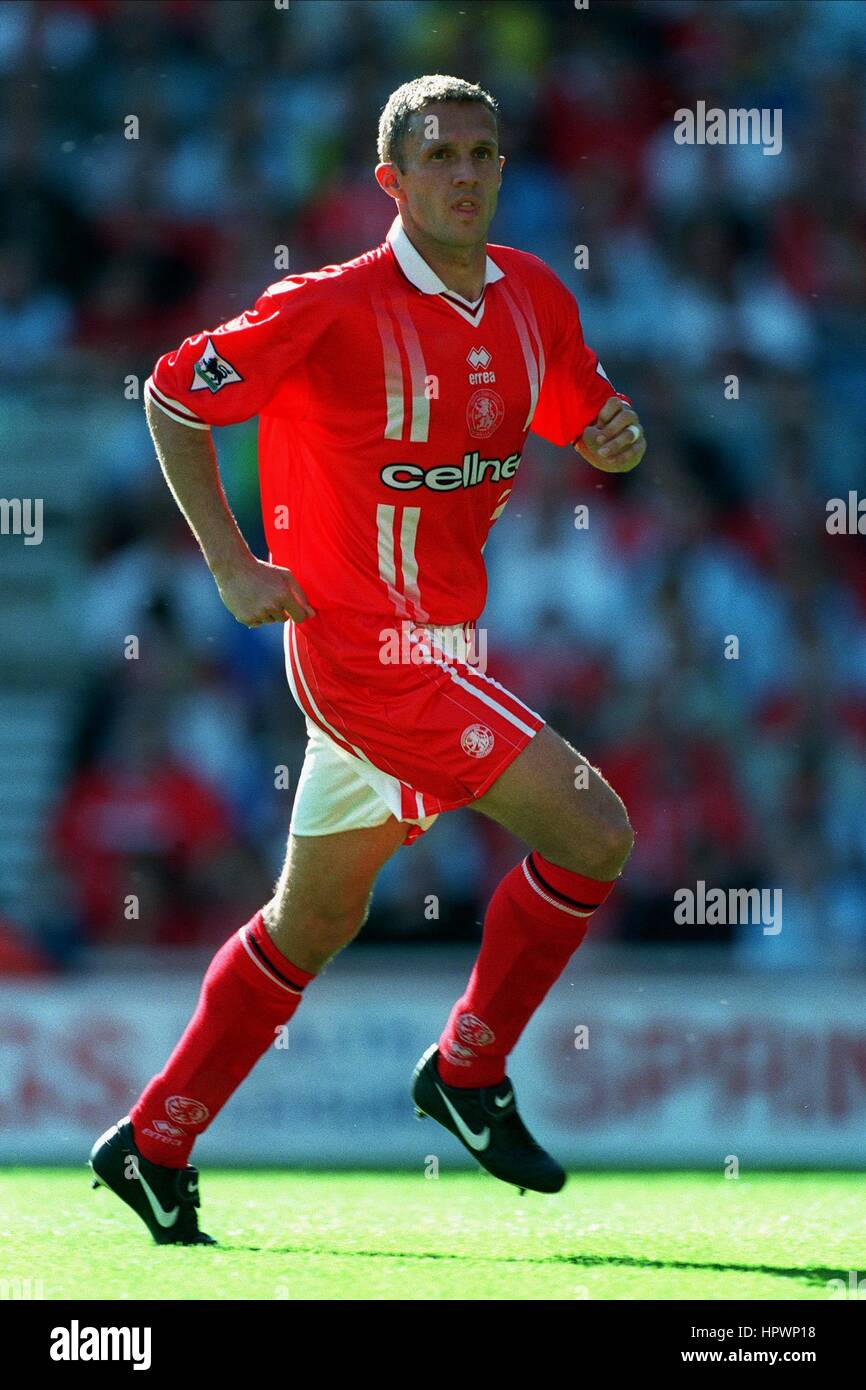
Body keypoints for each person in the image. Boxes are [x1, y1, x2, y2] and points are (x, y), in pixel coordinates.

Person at [90, 75, 645, 1245]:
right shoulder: (329, 306)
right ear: (390, 180)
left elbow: (576, 410)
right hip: (363, 649)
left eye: (482, 153)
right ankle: (466, 1070)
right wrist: (234, 567)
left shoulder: (531, 295)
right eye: (436, 154)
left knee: (314, 919)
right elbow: (175, 398)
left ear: (501, 171)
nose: (462, 172)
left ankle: (154, 1138)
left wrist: (612, 430)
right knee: (594, 828)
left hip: (442, 643)